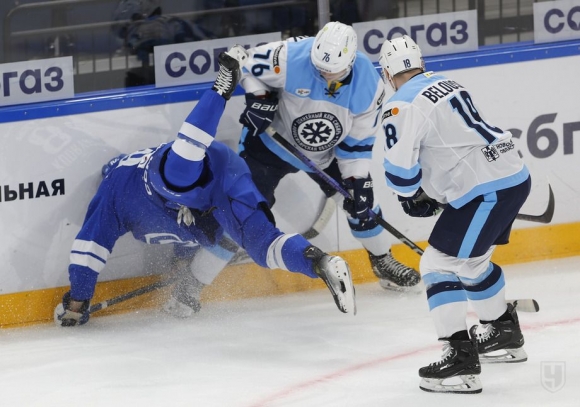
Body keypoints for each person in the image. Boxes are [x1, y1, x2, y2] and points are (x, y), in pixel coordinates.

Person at [54, 45, 356, 327]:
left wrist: (77, 302)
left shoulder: (117, 191)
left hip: (211, 177)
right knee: (264, 245)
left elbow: (88, 251)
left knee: (186, 163)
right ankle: (320, 262)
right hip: (224, 179)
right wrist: (182, 266)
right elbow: (176, 232)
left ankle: (220, 88)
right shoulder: (135, 186)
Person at [378, 35, 531, 393]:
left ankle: (460, 362)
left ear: (387, 73)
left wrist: (412, 195)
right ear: (420, 61)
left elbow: (400, 173)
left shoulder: (400, 104)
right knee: (473, 263)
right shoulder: (446, 83)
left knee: (436, 265)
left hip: (485, 191)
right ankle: (503, 334)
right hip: (512, 176)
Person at [236, 21, 420, 292]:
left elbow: (357, 143)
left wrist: (356, 179)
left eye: (332, 72)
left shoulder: (369, 85)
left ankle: (383, 261)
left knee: (363, 202)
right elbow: (244, 61)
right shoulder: (292, 55)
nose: (324, 76)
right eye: (320, 70)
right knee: (241, 207)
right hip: (270, 145)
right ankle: (193, 281)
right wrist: (258, 96)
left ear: (350, 62)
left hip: (326, 154)